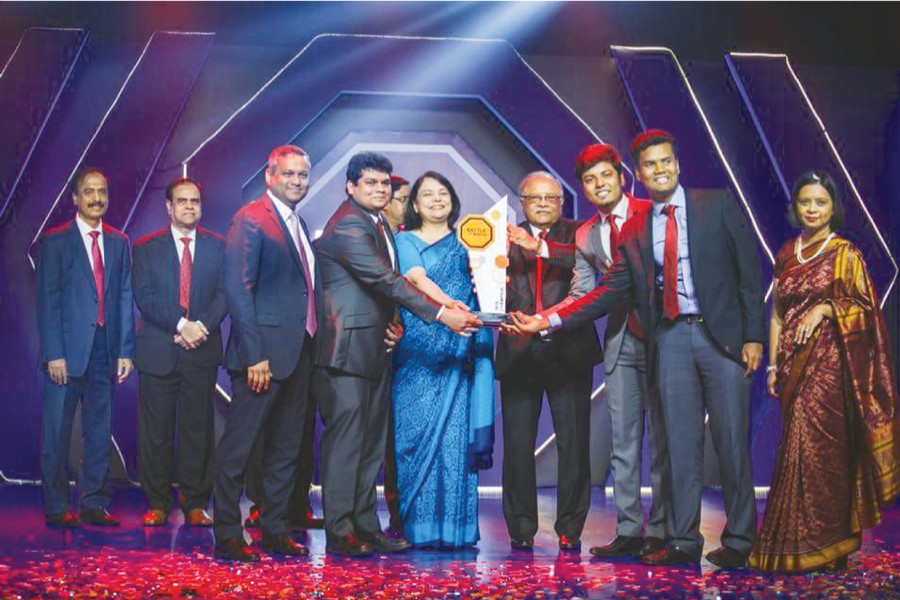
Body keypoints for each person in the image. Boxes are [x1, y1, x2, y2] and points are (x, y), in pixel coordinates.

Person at [510, 129, 765, 568]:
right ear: (640, 174)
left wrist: (754, 336)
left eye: (665, 162)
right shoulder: (632, 228)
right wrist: (547, 318)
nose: (659, 170)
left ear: (675, 165)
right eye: (650, 165)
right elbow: (607, 289)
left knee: (728, 441)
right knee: (677, 443)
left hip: (717, 337)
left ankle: (739, 537)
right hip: (663, 337)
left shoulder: (715, 205)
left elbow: (748, 272)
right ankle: (681, 540)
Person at [314, 152, 479, 557]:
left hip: (376, 349)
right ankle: (340, 531)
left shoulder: (379, 224)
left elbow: (380, 292)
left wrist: (395, 323)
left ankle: (365, 525)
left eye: (384, 184)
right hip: (346, 352)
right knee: (347, 446)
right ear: (351, 187)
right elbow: (386, 280)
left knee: (369, 447)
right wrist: (441, 313)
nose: (379, 189)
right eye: (370, 183)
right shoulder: (349, 224)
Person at [748, 171, 900, 573]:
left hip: (832, 370)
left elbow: (867, 311)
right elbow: (778, 312)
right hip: (793, 366)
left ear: (834, 208)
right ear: (795, 207)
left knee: (822, 453)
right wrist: (775, 365)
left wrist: (827, 308)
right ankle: (798, 542)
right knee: (794, 450)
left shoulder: (845, 253)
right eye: (805, 202)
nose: (812, 209)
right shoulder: (787, 252)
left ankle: (827, 545)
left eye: (820, 203)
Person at [546, 145, 667, 560]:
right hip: (620, 338)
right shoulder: (584, 234)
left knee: (666, 438)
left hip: (666, 337)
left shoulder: (653, 212)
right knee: (624, 440)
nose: (599, 185)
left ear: (622, 178)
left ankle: (665, 529)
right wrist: (543, 318)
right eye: (590, 180)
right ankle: (630, 530)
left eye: (605, 176)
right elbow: (583, 291)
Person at [214, 145, 318, 562]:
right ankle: (227, 534)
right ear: (269, 176)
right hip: (261, 359)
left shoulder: (297, 222)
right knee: (239, 450)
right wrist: (255, 355)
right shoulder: (251, 218)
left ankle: (275, 530)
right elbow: (238, 291)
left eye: (302, 175)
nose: (296, 181)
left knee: (285, 450)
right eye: (288, 174)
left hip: (298, 354)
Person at [495, 171, 602, 552]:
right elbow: (488, 284)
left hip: (569, 350)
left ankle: (570, 527)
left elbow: (593, 263)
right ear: (521, 202)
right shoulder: (500, 234)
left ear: (561, 202)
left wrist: (538, 247)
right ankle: (521, 527)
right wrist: (500, 317)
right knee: (518, 446)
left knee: (574, 445)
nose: (542, 204)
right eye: (534, 198)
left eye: (550, 198)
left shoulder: (582, 232)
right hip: (519, 350)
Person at [392, 171, 495, 548]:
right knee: (414, 439)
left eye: (443, 192)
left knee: (454, 442)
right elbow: (415, 279)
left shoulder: (470, 241)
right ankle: (417, 530)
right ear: (414, 204)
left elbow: (489, 282)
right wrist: (449, 306)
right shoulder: (404, 239)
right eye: (427, 194)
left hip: (460, 348)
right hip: (418, 350)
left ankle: (456, 530)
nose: (437, 199)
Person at [35, 167, 135, 528]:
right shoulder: (55, 241)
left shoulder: (119, 242)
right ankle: (57, 505)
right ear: (75, 199)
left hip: (104, 352)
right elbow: (48, 301)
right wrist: (53, 354)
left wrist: (125, 349)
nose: (96, 199)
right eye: (89, 192)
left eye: (102, 192)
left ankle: (94, 503)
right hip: (66, 353)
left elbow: (124, 297)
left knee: (98, 431)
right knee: (58, 432)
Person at [132, 178, 226, 528]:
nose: (189, 206)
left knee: (198, 430)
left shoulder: (219, 248)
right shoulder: (146, 248)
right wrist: (180, 325)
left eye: (195, 201)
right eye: (182, 201)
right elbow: (144, 295)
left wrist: (199, 327)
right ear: (168, 207)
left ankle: (196, 503)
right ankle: (156, 502)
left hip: (201, 351)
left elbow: (225, 294)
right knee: (155, 431)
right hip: (160, 350)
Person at [382, 172, 410, 537]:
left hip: (412, 350)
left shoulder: (408, 240)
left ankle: (407, 510)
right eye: (402, 198)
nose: (406, 206)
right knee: (387, 440)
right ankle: (395, 511)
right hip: (382, 348)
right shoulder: (371, 238)